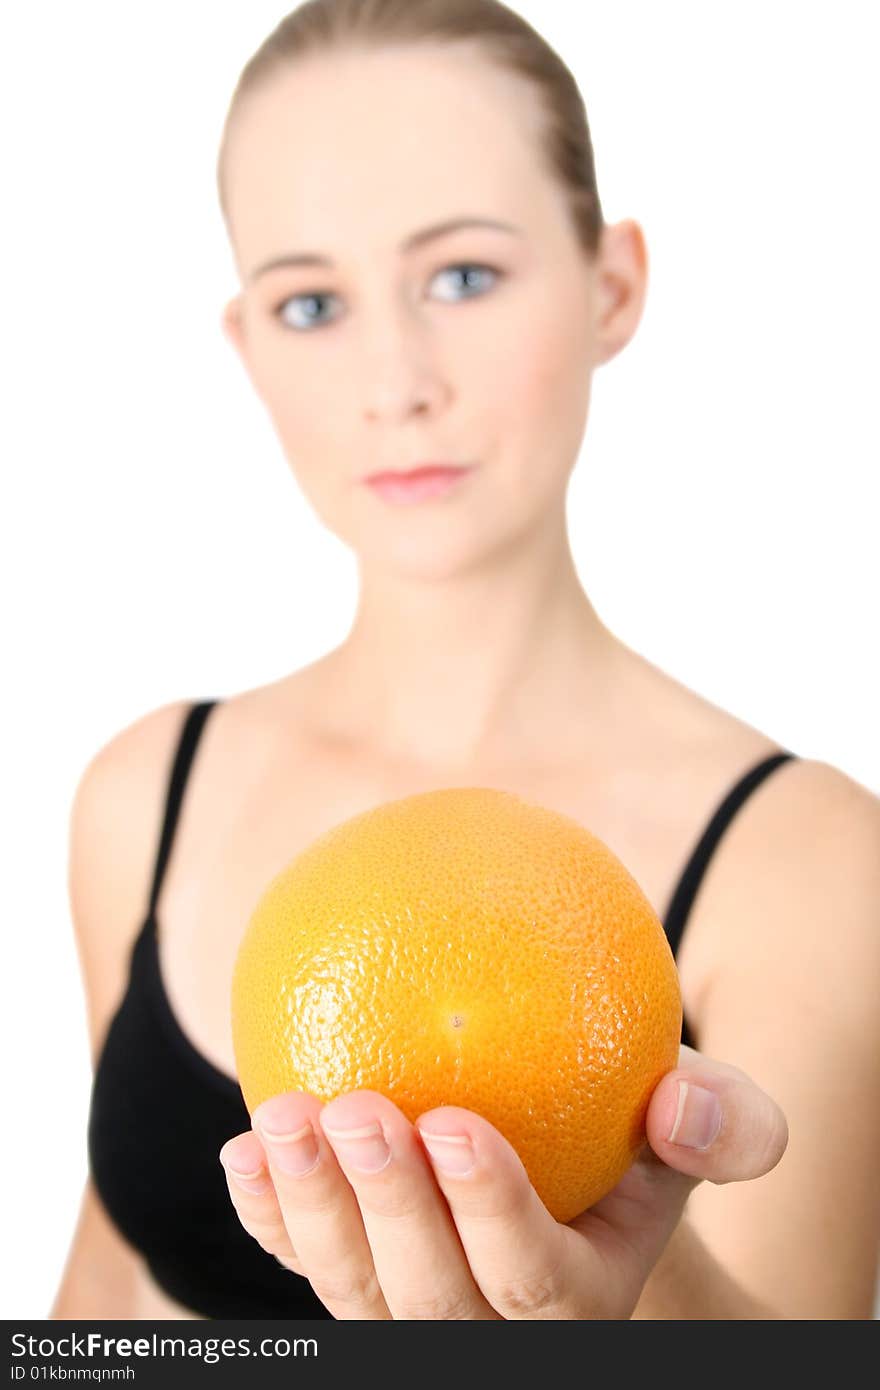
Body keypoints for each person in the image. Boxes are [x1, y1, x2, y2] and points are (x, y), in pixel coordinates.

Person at [50, 0, 880, 1321]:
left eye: (463, 277)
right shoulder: (140, 789)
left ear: (613, 286)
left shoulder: (814, 856)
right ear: (248, 347)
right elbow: (106, 1299)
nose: (396, 380)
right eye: (312, 301)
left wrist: (639, 1288)